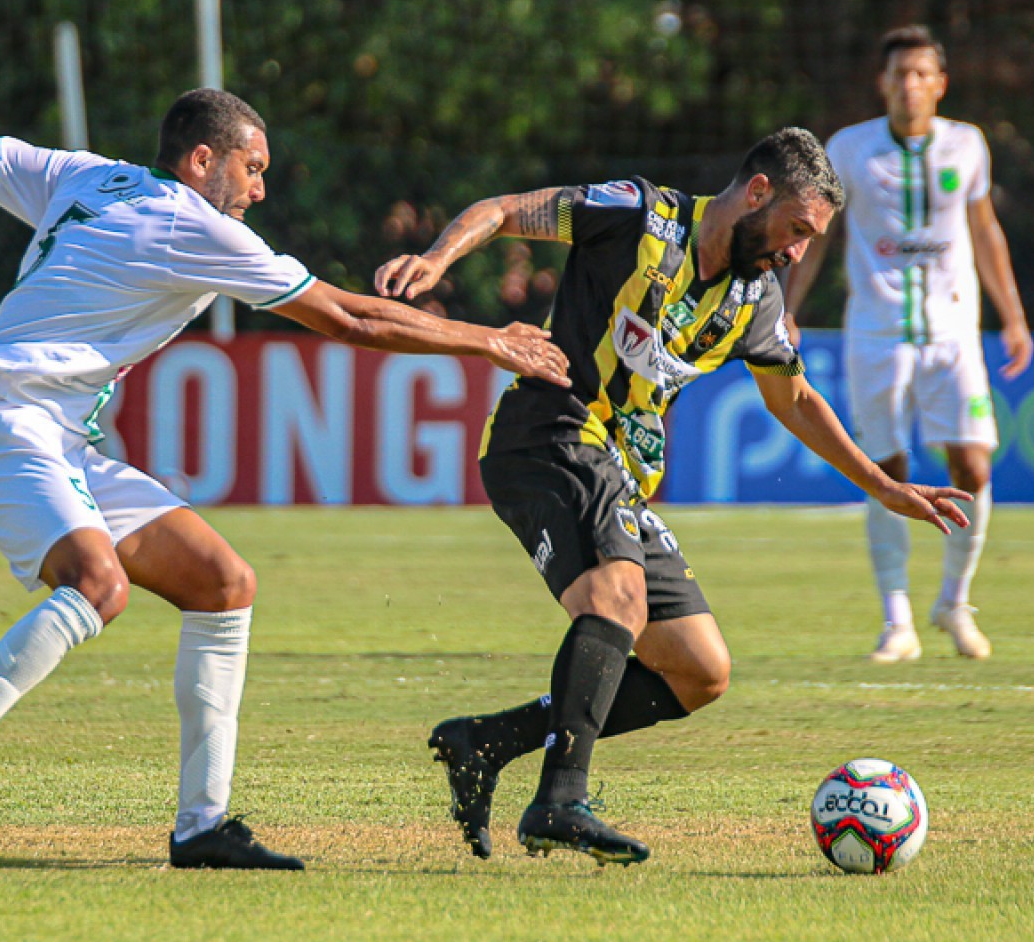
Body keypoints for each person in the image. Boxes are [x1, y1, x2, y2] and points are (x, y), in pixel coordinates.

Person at [0, 89, 569, 871]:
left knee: (222, 582)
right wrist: (486, 340)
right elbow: (348, 316)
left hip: (48, 434)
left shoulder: (86, 176)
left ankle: (202, 827)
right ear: (203, 161)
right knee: (100, 584)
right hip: (2, 423)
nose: (259, 192)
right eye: (253, 168)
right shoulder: (193, 225)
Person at [374, 129, 971, 865]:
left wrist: (884, 487)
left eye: (809, 241)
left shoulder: (755, 299)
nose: (796, 253)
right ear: (757, 193)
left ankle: (487, 743)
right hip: (550, 432)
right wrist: (436, 260)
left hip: (618, 475)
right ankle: (560, 800)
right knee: (617, 598)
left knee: (699, 668)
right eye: (795, 231)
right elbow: (503, 211)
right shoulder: (637, 215)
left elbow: (796, 401)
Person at [783, 26, 1033, 664]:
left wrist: (1013, 314)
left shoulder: (967, 145)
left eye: (922, 74)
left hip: (953, 334)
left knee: (973, 466)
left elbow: (984, 230)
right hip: (876, 334)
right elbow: (815, 234)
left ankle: (955, 602)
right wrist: (786, 307)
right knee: (886, 473)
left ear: (940, 83)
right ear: (883, 84)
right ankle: (897, 620)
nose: (909, 85)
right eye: (898, 75)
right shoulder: (850, 148)